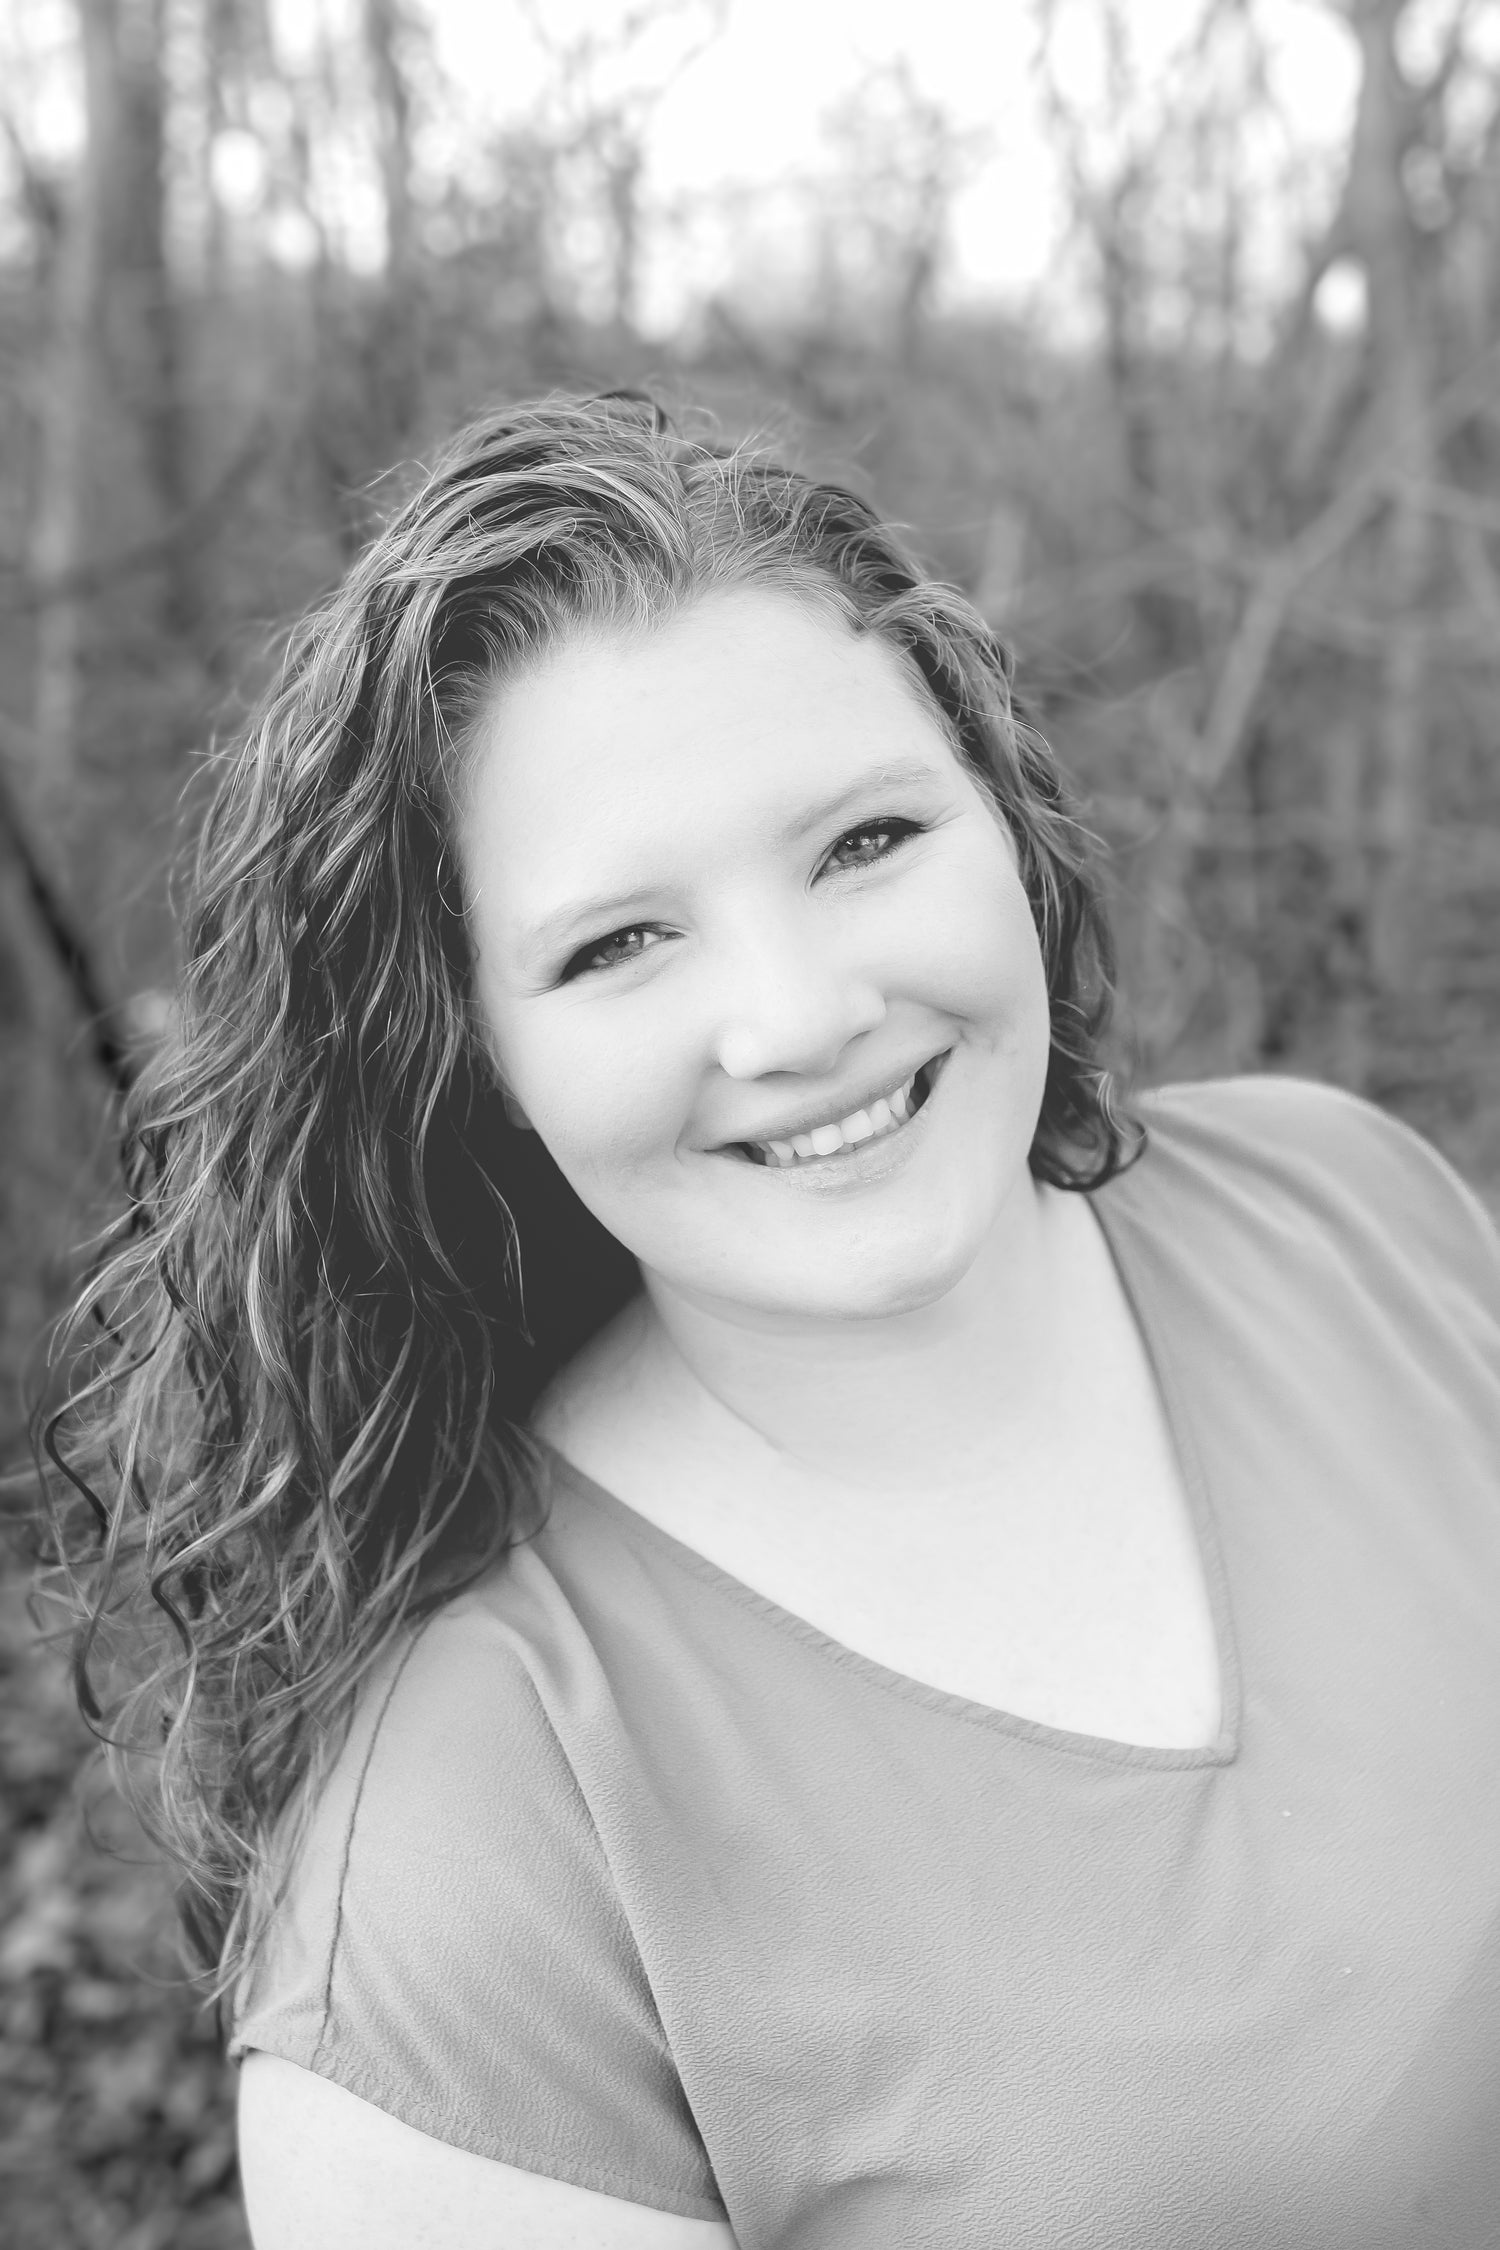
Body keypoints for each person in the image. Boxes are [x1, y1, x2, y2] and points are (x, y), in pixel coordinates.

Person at [41, 393, 1500, 2250]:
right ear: (474, 1060)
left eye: (866, 839)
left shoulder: (1347, 1206)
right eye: (619, 943)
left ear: (1004, 814)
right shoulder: (471, 1867)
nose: (802, 1014)